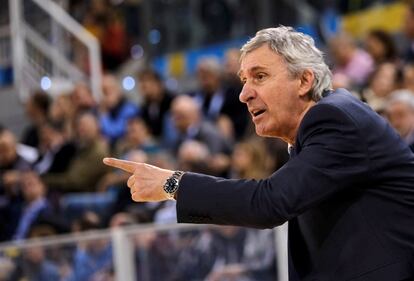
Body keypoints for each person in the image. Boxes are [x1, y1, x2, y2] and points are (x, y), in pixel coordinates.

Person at [103, 26, 414, 280]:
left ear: (304, 80)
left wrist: (173, 184)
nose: (244, 93)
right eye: (243, 80)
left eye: (260, 76)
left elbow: (269, 203)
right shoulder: (319, 129)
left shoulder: (335, 119)